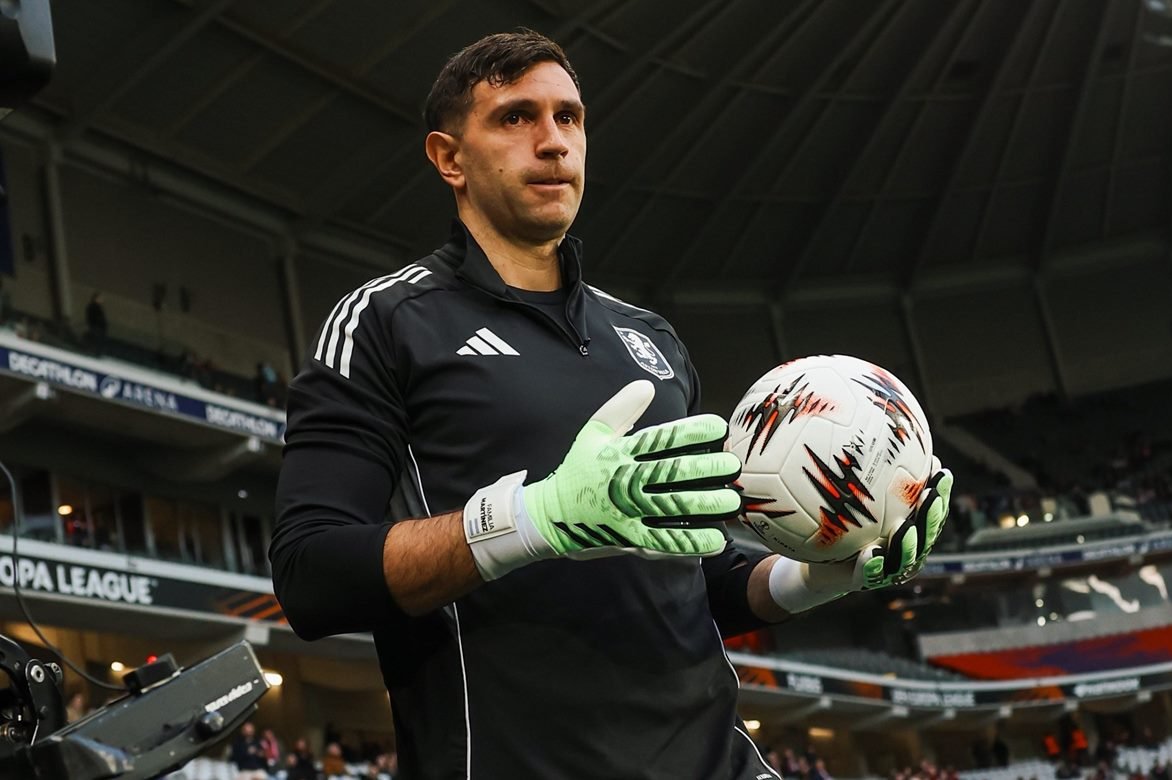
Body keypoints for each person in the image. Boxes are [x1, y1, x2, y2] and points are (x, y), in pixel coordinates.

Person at [270, 29, 951, 779]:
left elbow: (694, 571)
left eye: (570, 117)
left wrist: (818, 577)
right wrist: (533, 521)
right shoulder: (386, 322)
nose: (553, 142)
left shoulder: (648, 337)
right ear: (448, 158)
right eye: (515, 118)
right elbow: (312, 575)